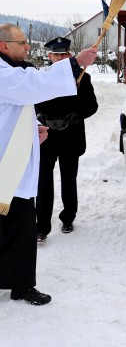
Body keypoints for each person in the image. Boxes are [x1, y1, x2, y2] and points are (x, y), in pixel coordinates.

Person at [0, 23, 97, 305]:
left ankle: (21, 284)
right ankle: (20, 283)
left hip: (14, 161)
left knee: (21, 227)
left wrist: (34, 130)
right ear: (4, 45)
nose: (28, 47)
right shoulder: (4, 74)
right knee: (14, 227)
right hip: (7, 165)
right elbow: (33, 87)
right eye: (22, 43)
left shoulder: (12, 71)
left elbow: (15, 109)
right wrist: (76, 63)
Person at [36, 37, 98, 241]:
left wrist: (76, 116)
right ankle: (41, 226)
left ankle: (68, 217)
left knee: (68, 179)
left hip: (71, 136)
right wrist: (40, 118)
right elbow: (32, 104)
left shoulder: (82, 78)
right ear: (49, 56)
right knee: (43, 182)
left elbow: (92, 106)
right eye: (57, 55)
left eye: (64, 54)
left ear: (70, 55)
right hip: (47, 136)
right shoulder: (42, 78)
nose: (61, 58)